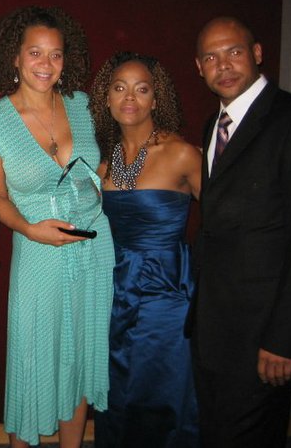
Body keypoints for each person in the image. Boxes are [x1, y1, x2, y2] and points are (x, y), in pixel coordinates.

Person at [0, 6, 115, 447]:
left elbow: (108, 164)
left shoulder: (83, 105)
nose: (46, 64)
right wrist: (30, 229)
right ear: (14, 58)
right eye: (35, 53)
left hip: (95, 248)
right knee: (34, 361)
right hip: (39, 255)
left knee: (81, 352)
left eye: (56, 55)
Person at [188, 16, 291, 447]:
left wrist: (285, 338)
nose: (223, 65)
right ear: (199, 67)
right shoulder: (214, 126)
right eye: (211, 57)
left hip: (263, 334)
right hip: (214, 327)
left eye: (234, 52)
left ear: (258, 53)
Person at [88, 51, 201, 447]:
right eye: (119, 88)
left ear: (156, 98)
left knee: (164, 392)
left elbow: (228, 226)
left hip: (167, 294)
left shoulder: (182, 154)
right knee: (118, 392)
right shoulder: (103, 165)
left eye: (141, 88)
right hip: (115, 291)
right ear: (106, 98)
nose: (129, 97)